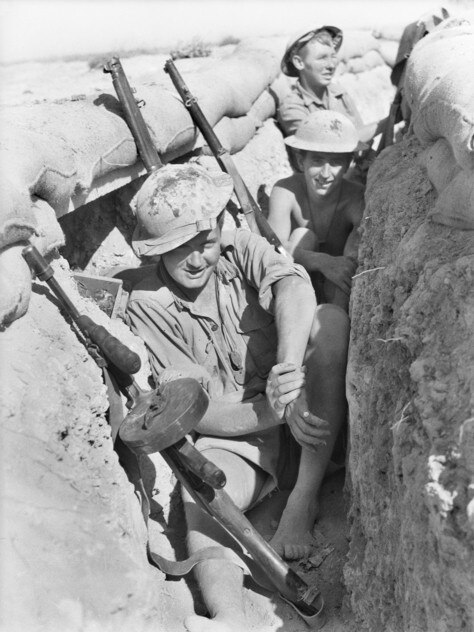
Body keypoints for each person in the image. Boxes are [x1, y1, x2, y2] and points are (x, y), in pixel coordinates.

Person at [126, 163, 349, 632]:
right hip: (240, 437)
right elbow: (194, 413)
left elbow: (293, 286)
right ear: (156, 253)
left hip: (310, 416)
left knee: (330, 325)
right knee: (203, 495)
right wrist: (271, 410)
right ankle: (227, 616)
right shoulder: (148, 305)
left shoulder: (241, 247)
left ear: (219, 232)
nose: (196, 259)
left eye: (204, 243)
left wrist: (287, 377)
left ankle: (303, 500)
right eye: (178, 248)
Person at [268, 110, 365, 312]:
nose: (325, 174)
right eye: (317, 161)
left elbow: (357, 254)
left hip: (336, 290)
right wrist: (323, 262)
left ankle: (332, 324)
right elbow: (273, 250)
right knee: (302, 235)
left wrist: (337, 265)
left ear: (349, 164)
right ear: (301, 161)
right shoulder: (285, 191)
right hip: (297, 287)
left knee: (349, 261)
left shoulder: (356, 198)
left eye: (336, 162)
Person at [277, 26, 364, 138]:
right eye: (322, 58)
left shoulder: (339, 93)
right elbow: (328, 145)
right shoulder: (293, 107)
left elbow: (361, 133)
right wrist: (383, 124)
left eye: (333, 57)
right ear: (299, 62)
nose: (331, 65)